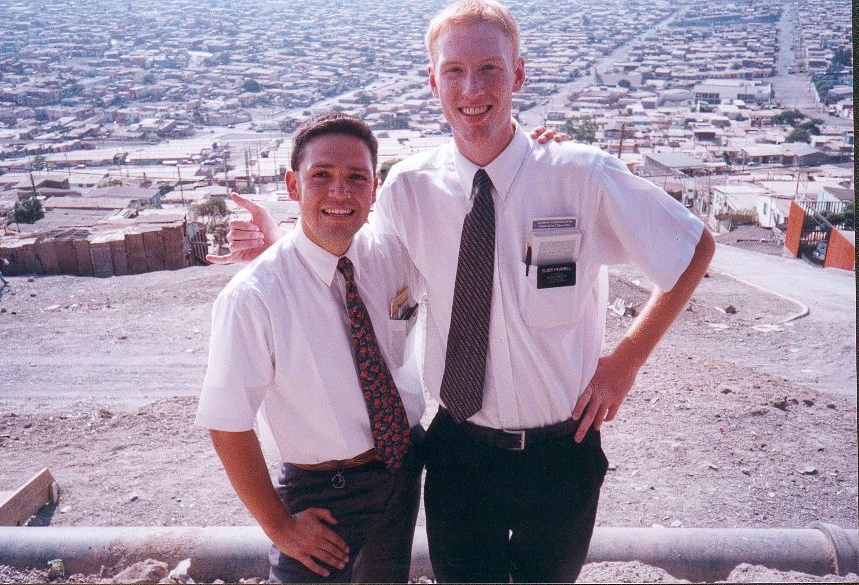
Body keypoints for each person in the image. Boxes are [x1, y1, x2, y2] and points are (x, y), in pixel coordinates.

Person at [224, 1, 714, 580]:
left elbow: (693, 248)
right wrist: (282, 242)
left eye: (490, 69)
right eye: (454, 71)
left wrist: (627, 359)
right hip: (460, 454)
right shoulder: (409, 188)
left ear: (519, 75)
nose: (471, 87)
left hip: (562, 452)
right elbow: (359, 260)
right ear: (433, 82)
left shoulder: (580, 175)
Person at [195, 113, 426, 583]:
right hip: (325, 493)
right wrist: (280, 527)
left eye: (356, 177)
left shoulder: (392, 255)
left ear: (374, 188)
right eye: (322, 175)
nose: (340, 192)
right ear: (293, 185)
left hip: (402, 469)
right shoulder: (254, 296)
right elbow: (227, 424)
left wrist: (544, 155)